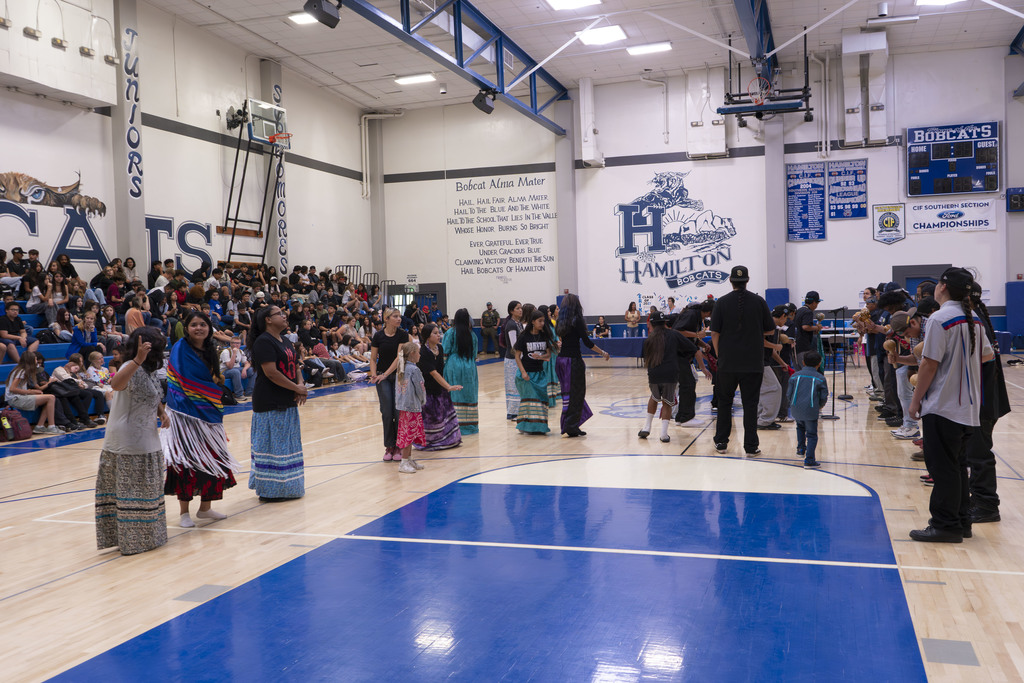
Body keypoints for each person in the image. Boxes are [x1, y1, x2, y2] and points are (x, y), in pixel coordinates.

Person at [908, 267, 994, 543]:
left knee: (943, 468)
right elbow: (986, 356)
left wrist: (915, 400)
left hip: (943, 406)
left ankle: (944, 525)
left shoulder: (939, 318)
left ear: (942, 287)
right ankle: (961, 521)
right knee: (957, 467)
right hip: (968, 407)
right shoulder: (974, 320)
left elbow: (929, 364)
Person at [94, 328, 169, 555]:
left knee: (146, 490)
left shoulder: (149, 370)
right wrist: (137, 359)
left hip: (147, 436)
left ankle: (148, 536)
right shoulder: (131, 366)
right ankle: (132, 540)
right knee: (132, 491)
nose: (158, 353)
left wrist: (161, 412)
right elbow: (116, 385)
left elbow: (152, 394)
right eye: (154, 347)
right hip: (126, 440)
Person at [162, 311, 240, 527]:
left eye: (203, 324)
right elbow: (184, 380)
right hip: (183, 412)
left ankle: (205, 508)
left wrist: (214, 387)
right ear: (186, 328)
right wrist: (210, 391)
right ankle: (183, 513)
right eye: (194, 324)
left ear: (209, 328)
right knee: (185, 460)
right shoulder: (180, 348)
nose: (199, 328)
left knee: (213, 457)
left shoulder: (210, 350)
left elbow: (211, 378)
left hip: (207, 412)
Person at [710, 265, 775, 456]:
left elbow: (715, 332)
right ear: (747, 281)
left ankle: (721, 442)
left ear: (730, 281)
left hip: (728, 363)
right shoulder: (759, 301)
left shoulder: (721, 303)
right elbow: (770, 330)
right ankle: (751, 446)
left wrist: (720, 354)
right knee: (750, 404)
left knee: (724, 403)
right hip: (753, 362)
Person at [247, 306, 308, 500]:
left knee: (287, 445)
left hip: (286, 399)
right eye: (279, 314)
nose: (284, 316)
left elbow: (296, 365)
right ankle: (271, 490)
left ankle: (288, 487)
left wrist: (300, 384)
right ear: (268, 320)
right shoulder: (263, 342)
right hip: (270, 401)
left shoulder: (287, 341)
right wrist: (295, 388)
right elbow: (271, 373)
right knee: (272, 447)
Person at [966, 281, 1010, 524]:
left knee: (979, 453)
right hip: (987, 397)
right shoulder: (978, 316)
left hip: (983, 398)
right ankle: (979, 498)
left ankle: (987, 504)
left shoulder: (973, 320)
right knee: (976, 452)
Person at [555, 293, 609, 437]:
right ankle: (571, 425)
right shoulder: (577, 320)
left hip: (561, 361)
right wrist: (602, 352)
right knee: (577, 394)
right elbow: (587, 342)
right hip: (573, 361)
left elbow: (561, 339)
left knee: (568, 394)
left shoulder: (560, 320)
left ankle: (572, 424)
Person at [639, 311, 695, 443]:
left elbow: (644, 357)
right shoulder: (674, 334)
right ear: (665, 323)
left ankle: (647, 427)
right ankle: (663, 434)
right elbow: (691, 348)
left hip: (654, 373)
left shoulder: (649, 339)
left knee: (654, 397)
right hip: (671, 373)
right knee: (667, 402)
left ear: (651, 324)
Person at [370, 308, 411, 461]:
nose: (399, 319)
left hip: (398, 376)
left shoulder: (403, 334)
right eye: (395, 316)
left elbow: (400, 357)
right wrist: (374, 374)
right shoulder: (378, 336)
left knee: (398, 412)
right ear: (386, 319)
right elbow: (373, 358)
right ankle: (389, 446)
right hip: (382, 377)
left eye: (399, 316)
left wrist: (385, 374)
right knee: (387, 412)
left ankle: (400, 446)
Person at [415, 323, 463, 450]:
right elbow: (434, 373)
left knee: (445, 414)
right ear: (427, 336)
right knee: (432, 417)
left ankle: (448, 439)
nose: (438, 335)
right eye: (435, 333)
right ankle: (429, 441)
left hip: (440, 388)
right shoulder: (423, 352)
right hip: (428, 390)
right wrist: (448, 386)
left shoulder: (440, 349)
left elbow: (440, 371)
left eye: (439, 333)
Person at [514, 310, 556, 434]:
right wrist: (523, 372)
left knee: (542, 400)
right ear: (533, 322)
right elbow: (517, 356)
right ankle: (528, 427)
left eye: (543, 321)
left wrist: (540, 357)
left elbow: (548, 354)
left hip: (540, 374)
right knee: (530, 401)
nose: (542, 323)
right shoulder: (524, 336)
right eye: (540, 321)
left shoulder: (544, 336)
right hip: (527, 374)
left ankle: (540, 427)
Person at [671, 300, 713, 425]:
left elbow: (690, 336)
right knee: (688, 385)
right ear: (708, 312)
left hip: (682, 355)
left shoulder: (697, 316)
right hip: (677, 354)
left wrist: (703, 343)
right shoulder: (691, 314)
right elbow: (677, 332)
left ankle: (681, 417)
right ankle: (686, 418)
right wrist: (697, 334)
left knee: (688, 384)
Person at [786, 351, 829, 468]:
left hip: (796, 408)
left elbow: (788, 394)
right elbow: (824, 396)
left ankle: (800, 449)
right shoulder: (820, 378)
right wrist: (820, 406)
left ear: (803, 362)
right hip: (811, 409)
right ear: (819, 364)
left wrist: (792, 404)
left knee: (799, 427)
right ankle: (809, 460)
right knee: (811, 434)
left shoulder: (794, 376)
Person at [4, 351, 62, 434]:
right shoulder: (21, 371)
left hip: (18, 397)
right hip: (15, 399)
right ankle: (51, 426)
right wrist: (30, 392)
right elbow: (12, 389)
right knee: (51, 397)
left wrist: (32, 391)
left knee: (47, 398)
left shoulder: (22, 370)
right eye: (35, 359)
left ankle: (39, 426)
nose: (36, 361)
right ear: (30, 360)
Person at [442, 309, 479, 435]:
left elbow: (445, 351)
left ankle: (453, 426)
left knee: (454, 393)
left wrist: (444, 365)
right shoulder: (472, 335)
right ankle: (470, 426)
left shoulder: (450, 333)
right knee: (469, 393)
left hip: (454, 366)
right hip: (469, 366)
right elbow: (474, 355)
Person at [394, 341, 427, 474]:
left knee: (409, 433)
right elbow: (420, 387)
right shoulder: (414, 369)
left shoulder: (401, 368)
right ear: (413, 354)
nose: (420, 355)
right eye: (418, 352)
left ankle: (408, 459)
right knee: (409, 434)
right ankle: (403, 462)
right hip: (412, 406)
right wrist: (423, 399)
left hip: (403, 406)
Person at [501, 300, 524, 421]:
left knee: (518, 385)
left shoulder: (518, 323)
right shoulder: (511, 325)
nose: (520, 310)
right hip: (512, 361)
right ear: (511, 311)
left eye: (521, 308)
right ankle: (513, 413)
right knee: (513, 386)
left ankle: (518, 411)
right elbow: (514, 345)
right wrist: (521, 358)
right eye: (517, 308)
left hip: (518, 359)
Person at [221, 335, 255, 401]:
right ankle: (239, 394)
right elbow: (230, 366)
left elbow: (247, 363)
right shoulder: (226, 352)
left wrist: (244, 369)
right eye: (234, 343)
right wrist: (234, 353)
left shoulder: (240, 351)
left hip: (236, 369)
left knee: (253, 370)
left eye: (238, 343)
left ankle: (249, 392)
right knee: (235, 372)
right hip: (225, 371)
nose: (236, 345)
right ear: (230, 344)